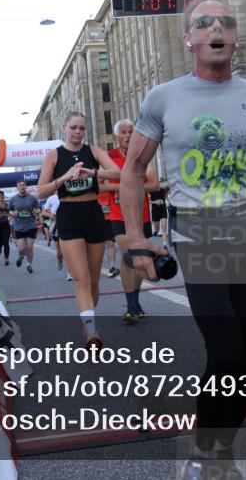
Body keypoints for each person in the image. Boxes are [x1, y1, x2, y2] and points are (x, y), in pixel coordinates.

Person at [119, 0, 246, 479]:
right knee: (224, 352)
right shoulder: (164, 97)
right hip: (196, 237)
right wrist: (136, 238)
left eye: (225, 20)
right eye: (204, 22)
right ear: (190, 39)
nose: (216, 27)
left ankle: (220, 448)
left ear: (233, 37)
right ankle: (206, 457)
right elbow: (135, 169)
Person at [36, 111, 121, 349]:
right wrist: (63, 178)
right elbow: (40, 192)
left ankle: (87, 324)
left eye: (82, 128)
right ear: (64, 128)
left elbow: (119, 173)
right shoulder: (54, 155)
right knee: (81, 278)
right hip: (69, 216)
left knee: (94, 281)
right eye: (73, 127)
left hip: (93, 214)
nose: (78, 132)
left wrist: (91, 172)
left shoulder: (94, 152)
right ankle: (92, 333)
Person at [99, 119, 160, 322]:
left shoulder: (143, 155)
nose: (127, 136)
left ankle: (135, 302)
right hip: (119, 216)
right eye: (123, 132)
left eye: (131, 132)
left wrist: (128, 184)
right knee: (129, 256)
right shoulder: (109, 157)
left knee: (141, 260)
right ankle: (132, 305)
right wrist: (125, 186)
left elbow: (154, 184)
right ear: (117, 137)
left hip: (141, 214)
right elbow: (98, 186)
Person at [7, 180, 40, 274]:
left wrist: (36, 211)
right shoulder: (13, 199)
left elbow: (38, 209)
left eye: (24, 185)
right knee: (21, 248)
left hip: (31, 226)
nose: (22, 187)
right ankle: (21, 256)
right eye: (20, 185)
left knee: (29, 247)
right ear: (17, 188)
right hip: (18, 227)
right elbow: (9, 210)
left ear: (26, 187)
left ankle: (29, 264)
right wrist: (13, 213)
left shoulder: (32, 198)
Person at [97, 189, 120, 278]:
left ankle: (111, 267)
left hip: (110, 218)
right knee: (97, 245)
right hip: (97, 218)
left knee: (110, 243)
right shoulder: (95, 181)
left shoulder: (111, 181)